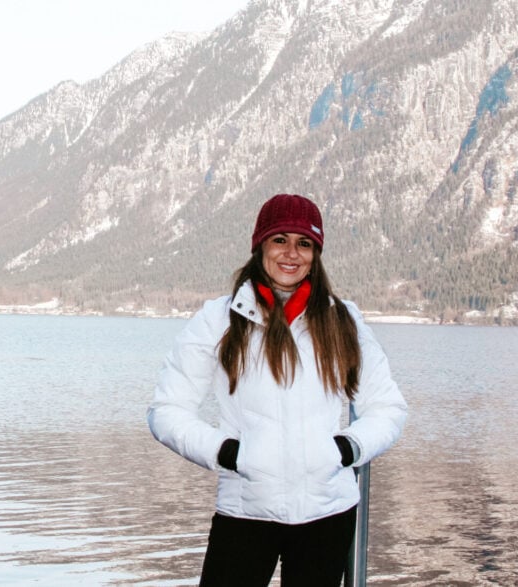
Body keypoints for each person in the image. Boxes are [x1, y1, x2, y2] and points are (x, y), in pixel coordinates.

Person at [147, 193, 407, 586]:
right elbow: (166, 410)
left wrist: (345, 449)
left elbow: (387, 407)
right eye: (279, 239)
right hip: (246, 510)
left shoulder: (343, 319)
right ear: (260, 246)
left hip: (327, 514)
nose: (291, 253)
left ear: (316, 253)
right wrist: (228, 454)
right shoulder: (219, 319)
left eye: (304, 243)